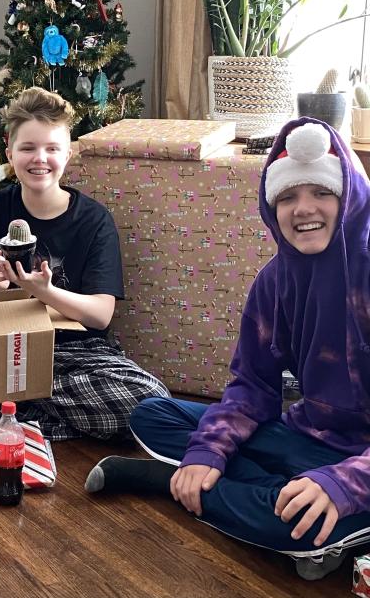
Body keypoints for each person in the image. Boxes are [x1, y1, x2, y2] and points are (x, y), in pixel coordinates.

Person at [85, 118, 370, 580]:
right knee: (154, 415)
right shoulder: (274, 281)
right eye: (288, 197)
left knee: (296, 525)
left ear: (349, 196)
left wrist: (344, 483)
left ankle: (175, 484)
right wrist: (208, 451)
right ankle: (284, 499)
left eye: (321, 192)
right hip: (303, 438)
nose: (303, 209)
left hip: (362, 459)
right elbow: (252, 386)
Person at [0, 87, 168, 439]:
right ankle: (42, 424)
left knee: (149, 401)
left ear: (68, 154)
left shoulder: (94, 220)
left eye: (52, 148)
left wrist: (44, 291)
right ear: (10, 153)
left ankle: (12, 419)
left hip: (74, 356)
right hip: (1, 348)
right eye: (28, 148)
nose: (40, 159)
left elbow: (100, 315)